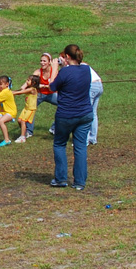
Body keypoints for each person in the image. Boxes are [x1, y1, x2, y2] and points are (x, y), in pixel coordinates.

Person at [50, 45, 95, 191]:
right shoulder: (86, 70)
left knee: (59, 144)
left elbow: (52, 86)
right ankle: (80, 182)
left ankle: (61, 178)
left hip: (66, 114)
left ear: (67, 57)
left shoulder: (64, 72)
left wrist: (55, 67)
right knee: (80, 147)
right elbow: (79, 68)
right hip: (85, 114)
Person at [12, 75, 39, 143]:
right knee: (19, 120)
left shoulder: (32, 89)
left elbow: (20, 92)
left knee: (23, 121)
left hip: (31, 109)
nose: (26, 82)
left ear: (34, 82)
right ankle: (25, 132)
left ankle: (22, 137)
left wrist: (10, 93)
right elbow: (20, 90)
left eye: (28, 80)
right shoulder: (28, 89)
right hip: (26, 108)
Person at [85, 65, 104, 147]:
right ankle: (93, 138)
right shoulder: (83, 64)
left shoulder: (72, 66)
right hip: (99, 85)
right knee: (93, 113)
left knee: (86, 113)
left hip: (92, 86)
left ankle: (85, 140)